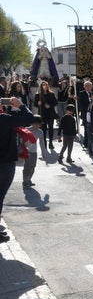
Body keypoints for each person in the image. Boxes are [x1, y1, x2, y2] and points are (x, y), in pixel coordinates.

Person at [0, 97, 33, 242]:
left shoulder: (5, 118)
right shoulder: (4, 119)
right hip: (5, 163)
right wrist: (20, 105)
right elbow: (29, 118)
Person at [33, 80, 58, 150]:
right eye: (43, 85)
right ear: (41, 86)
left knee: (51, 128)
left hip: (50, 113)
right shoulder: (38, 95)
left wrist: (50, 105)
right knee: (43, 129)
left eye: (46, 85)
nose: (45, 86)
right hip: (42, 114)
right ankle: (44, 143)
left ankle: (50, 142)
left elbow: (55, 102)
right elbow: (35, 104)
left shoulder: (51, 94)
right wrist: (38, 103)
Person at [21, 116, 43, 188]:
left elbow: (42, 143)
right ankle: (25, 181)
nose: (36, 125)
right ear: (32, 123)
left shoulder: (40, 132)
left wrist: (44, 152)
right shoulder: (26, 130)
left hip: (34, 151)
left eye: (38, 124)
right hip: (26, 151)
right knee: (27, 166)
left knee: (33, 167)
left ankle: (29, 179)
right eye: (35, 124)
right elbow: (20, 139)